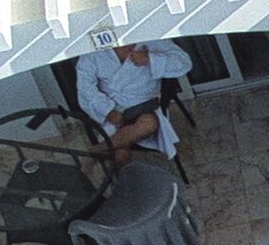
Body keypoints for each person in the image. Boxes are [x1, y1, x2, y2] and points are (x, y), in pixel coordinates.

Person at [78, 38, 193, 169]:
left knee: (149, 123)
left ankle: (96, 151)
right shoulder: (93, 53)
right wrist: (108, 111)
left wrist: (150, 59)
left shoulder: (149, 39)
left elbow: (184, 63)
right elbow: (85, 89)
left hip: (143, 105)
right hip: (112, 108)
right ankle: (118, 186)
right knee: (120, 154)